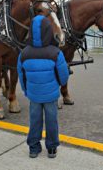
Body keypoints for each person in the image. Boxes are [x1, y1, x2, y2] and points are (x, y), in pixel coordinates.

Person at [17, 15, 69, 158]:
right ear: (48, 31)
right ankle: (52, 148)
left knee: (35, 121)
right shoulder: (56, 53)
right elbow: (64, 76)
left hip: (33, 95)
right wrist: (57, 85)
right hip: (51, 95)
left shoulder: (24, 54)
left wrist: (26, 90)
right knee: (52, 121)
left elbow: (21, 75)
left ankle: (33, 148)